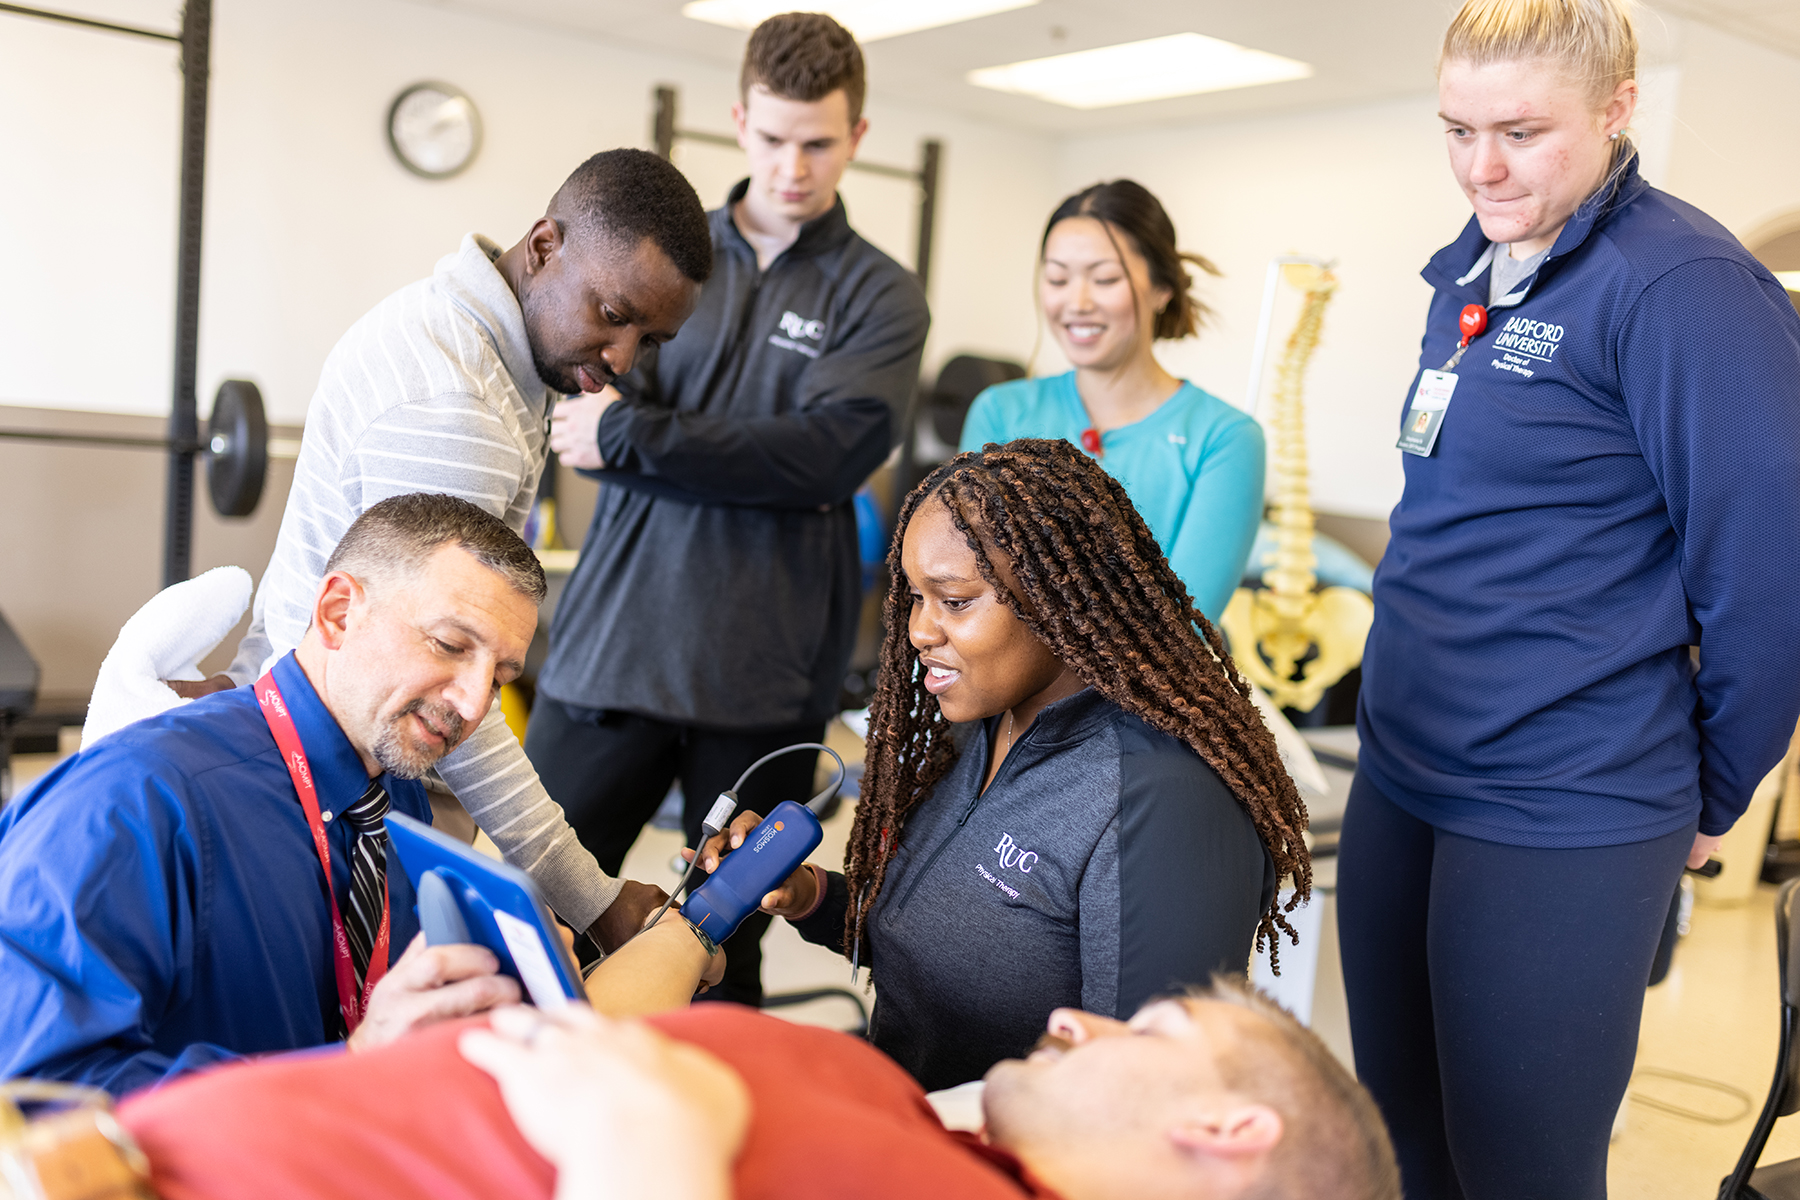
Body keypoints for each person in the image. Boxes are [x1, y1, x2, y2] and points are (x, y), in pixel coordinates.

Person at [1336, 1, 1800, 1196]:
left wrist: (1719, 782)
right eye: (1457, 129)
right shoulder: (1471, 271)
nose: (1483, 165)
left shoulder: (1683, 286)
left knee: (1520, 1167)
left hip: (1561, 796)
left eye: (1523, 131)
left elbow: (1771, 568)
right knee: (1398, 1137)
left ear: (1617, 110)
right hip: (1403, 772)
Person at [176, 149, 712, 954]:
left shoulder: (450, 327)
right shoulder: (455, 408)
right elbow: (452, 697)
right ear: (542, 247)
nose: (623, 360)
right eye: (611, 312)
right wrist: (591, 896)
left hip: (331, 735)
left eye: (651, 338)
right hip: (341, 770)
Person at [526, 12, 931, 1006]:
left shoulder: (881, 294)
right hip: (613, 650)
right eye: (773, 137)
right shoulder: (666, 253)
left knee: (723, 947)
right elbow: (585, 388)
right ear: (740, 120)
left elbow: (827, 455)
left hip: (763, 675)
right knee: (529, 899)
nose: (792, 165)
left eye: (820, 142)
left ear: (859, 137)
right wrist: (688, 439)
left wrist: (636, 436)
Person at [696, 439, 1306, 1091]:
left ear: (1059, 598)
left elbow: (1148, 1097)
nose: (919, 631)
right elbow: (951, 941)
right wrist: (811, 896)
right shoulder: (976, 729)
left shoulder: (1161, 801)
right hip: (908, 1121)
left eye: (954, 601)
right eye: (916, 597)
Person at [0, 495, 596, 1095]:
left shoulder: (398, 800)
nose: (473, 704)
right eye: (448, 645)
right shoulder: (134, 799)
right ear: (338, 613)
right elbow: (35, 1092)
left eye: (498, 678)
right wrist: (346, 1071)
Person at [95, 977, 1400, 1200]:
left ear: (1225, 1129)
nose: (1076, 1018)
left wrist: (637, 1155)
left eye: (1149, 1027)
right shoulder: (934, 1134)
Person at [958, 180, 1262, 622]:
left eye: (1105, 279)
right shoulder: (1000, 412)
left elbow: (1181, 631)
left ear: (1162, 288)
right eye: (1058, 278)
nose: (1077, 302)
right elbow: (967, 585)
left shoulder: (1224, 438)